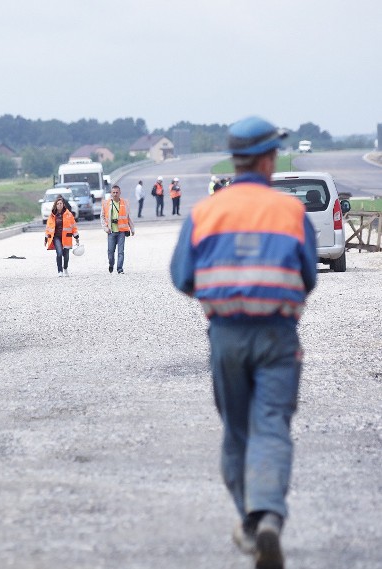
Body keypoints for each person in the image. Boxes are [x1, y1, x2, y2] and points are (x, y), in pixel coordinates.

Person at [170, 116, 317, 569]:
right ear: (269, 158)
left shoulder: (204, 213)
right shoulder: (290, 212)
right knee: (271, 424)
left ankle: (250, 525)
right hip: (277, 336)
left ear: (235, 159)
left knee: (237, 433)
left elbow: (182, 277)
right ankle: (268, 515)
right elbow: (308, 275)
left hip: (226, 337)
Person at [101, 185, 135, 274]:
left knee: (121, 251)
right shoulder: (106, 203)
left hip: (121, 231)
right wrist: (105, 228)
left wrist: (132, 228)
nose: (115, 194)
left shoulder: (125, 203)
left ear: (120, 193)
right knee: (110, 251)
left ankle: (120, 269)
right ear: (111, 193)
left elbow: (129, 217)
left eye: (117, 192)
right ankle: (111, 264)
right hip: (111, 231)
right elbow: (102, 217)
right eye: (113, 192)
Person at [44, 195, 80, 277]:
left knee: (66, 255)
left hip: (66, 238)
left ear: (63, 204)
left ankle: (65, 268)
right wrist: (46, 238)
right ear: (55, 205)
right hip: (56, 237)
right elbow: (48, 228)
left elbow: (73, 227)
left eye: (61, 203)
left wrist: (76, 237)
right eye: (58, 203)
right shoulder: (52, 216)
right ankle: (59, 271)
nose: (59, 205)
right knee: (59, 253)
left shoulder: (69, 215)